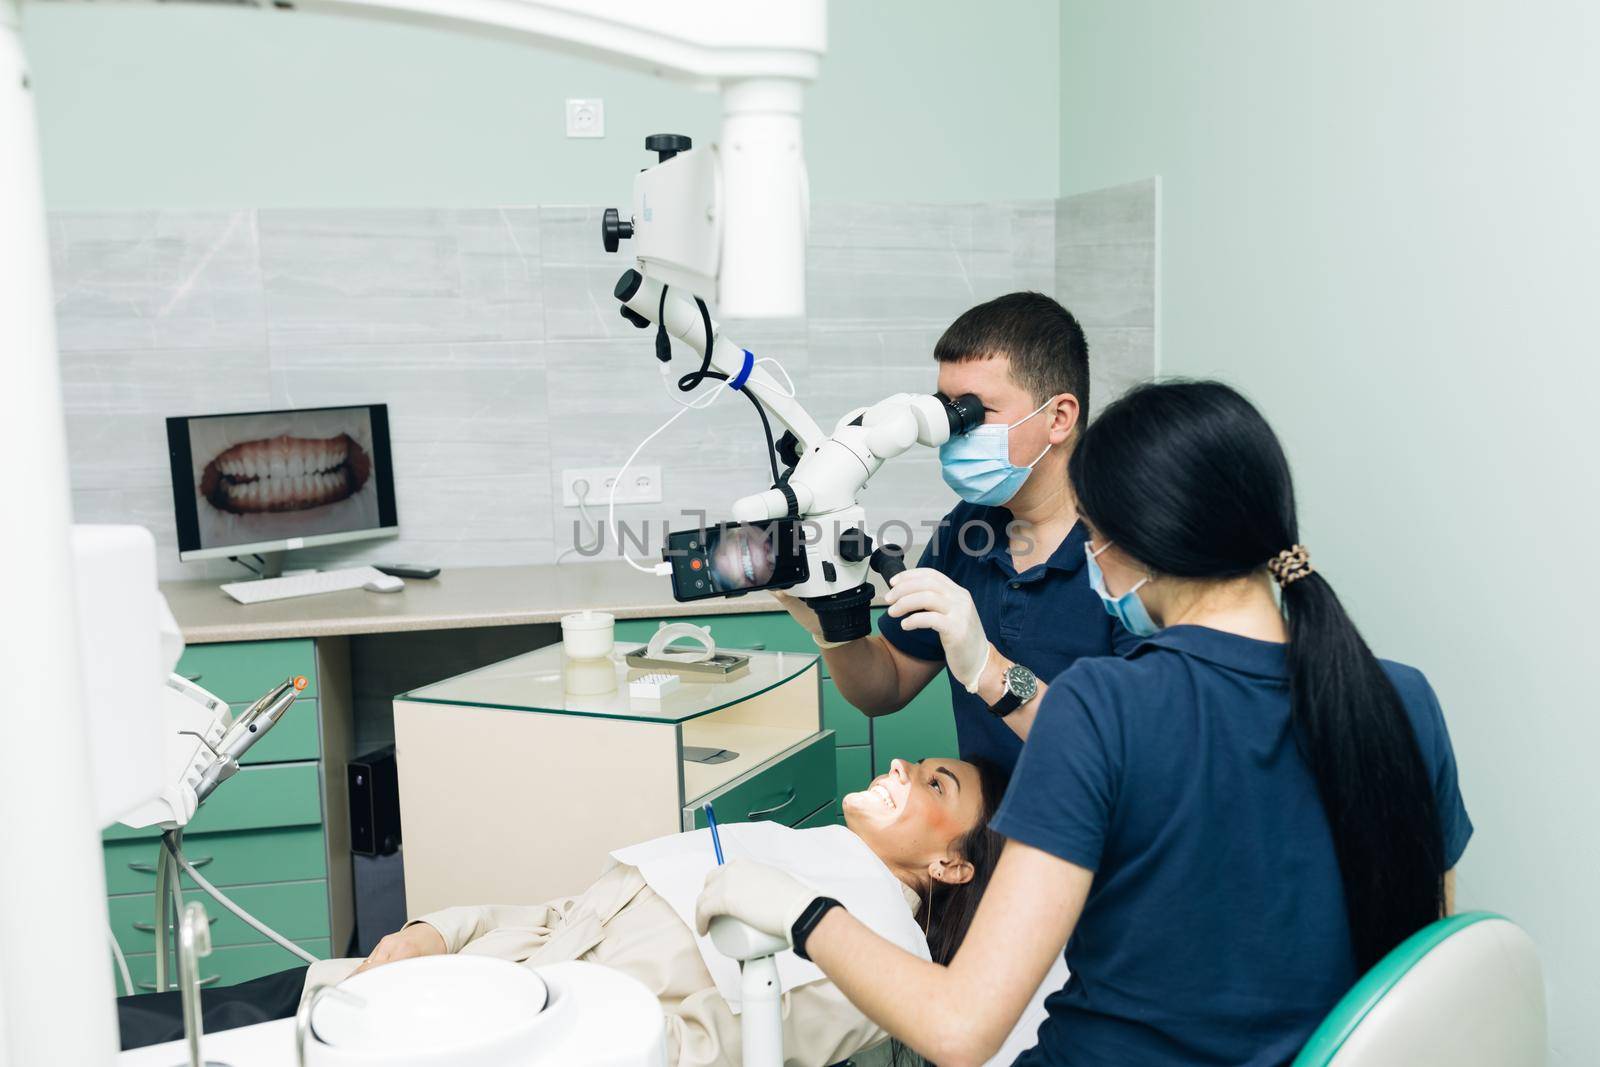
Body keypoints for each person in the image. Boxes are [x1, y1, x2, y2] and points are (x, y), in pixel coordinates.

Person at [698, 380, 1473, 1066]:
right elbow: (1424, 972)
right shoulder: (1404, 699)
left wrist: (801, 912)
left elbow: (960, 1028)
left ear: (1134, 540)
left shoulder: (1103, 705)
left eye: (1093, 534)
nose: (1093, 558)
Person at [118, 756, 1008, 1067]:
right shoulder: (780, 846)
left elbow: (677, 1052)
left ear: (951, 863)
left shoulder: (874, 964)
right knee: (126, 1026)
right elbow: (557, 915)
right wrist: (437, 930)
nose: (901, 770)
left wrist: (485, 1014)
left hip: (464, 1039)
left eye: (936, 783)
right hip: (403, 983)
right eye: (913, 763)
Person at [777, 292, 1139, 772]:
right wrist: (829, 628)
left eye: (974, 412)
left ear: (1058, 417)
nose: (952, 431)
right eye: (947, 409)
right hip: (990, 839)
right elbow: (885, 688)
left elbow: (1135, 751)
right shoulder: (972, 526)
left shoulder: (1135, 548)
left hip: (1100, 841)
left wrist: (988, 666)